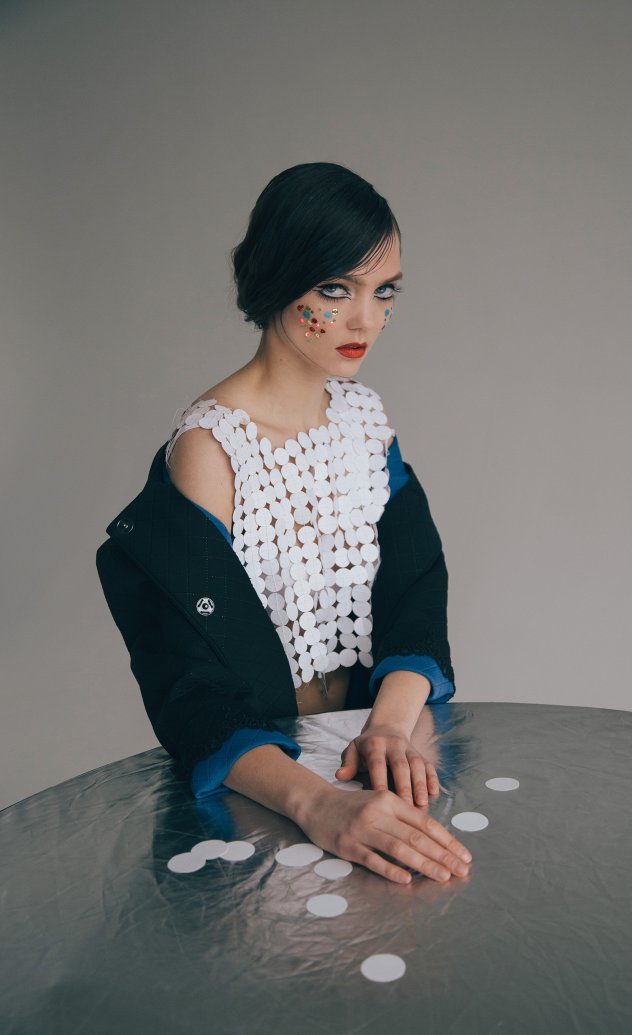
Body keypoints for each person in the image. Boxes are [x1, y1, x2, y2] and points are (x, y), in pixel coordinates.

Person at [96, 161, 472, 886]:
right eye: (335, 289)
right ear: (278, 278)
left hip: (377, 753)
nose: (365, 320)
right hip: (266, 782)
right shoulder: (211, 448)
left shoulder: (367, 423)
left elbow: (416, 588)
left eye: (384, 291)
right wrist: (318, 804)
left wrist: (389, 725)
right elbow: (188, 676)